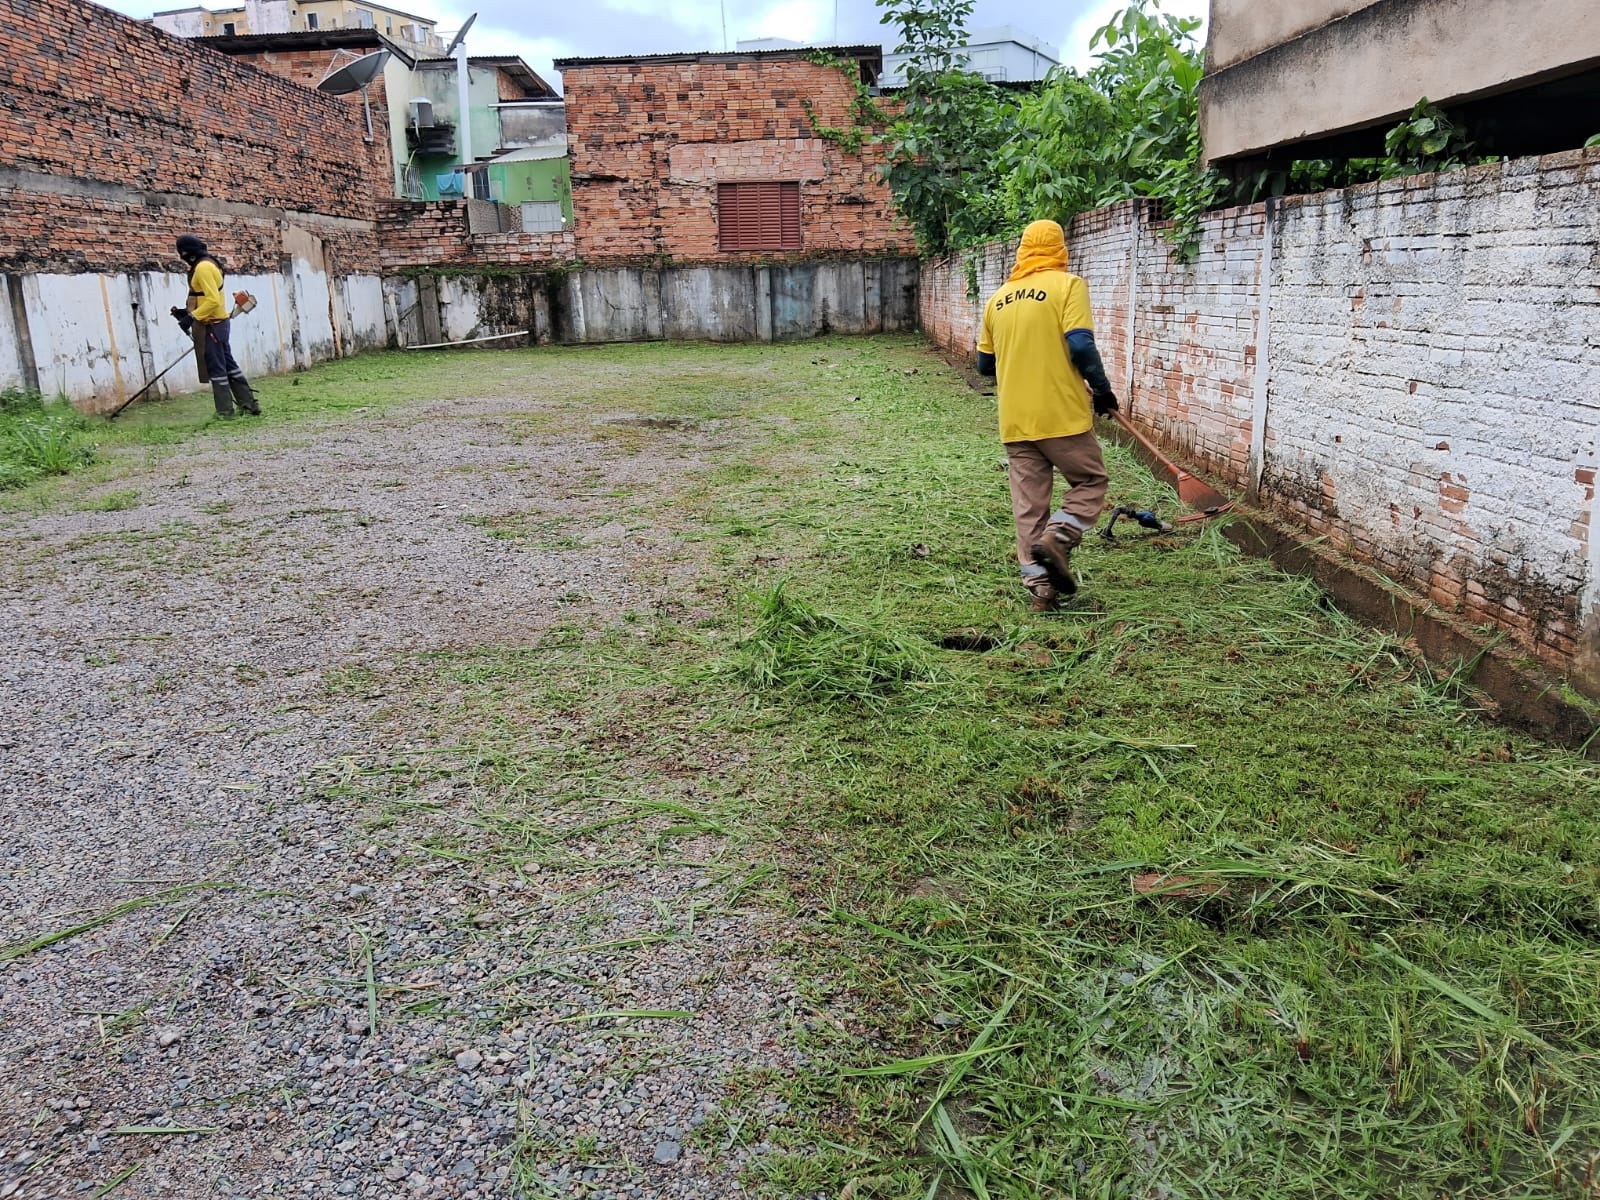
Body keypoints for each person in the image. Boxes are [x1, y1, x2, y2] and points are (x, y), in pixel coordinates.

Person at [977, 219, 1118, 611]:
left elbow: (984, 365)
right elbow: (1081, 346)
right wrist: (1103, 391)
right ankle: (1059, 536)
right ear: (1060, 249)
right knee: (1090, 480)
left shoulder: (998, 299)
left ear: (1022, 250)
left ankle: (1041, 591)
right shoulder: (1067, 286)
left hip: (1015, 420)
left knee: (1029, 506)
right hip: (1060, 414)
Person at [172, 234, 260, 418]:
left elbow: (212, 300)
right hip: (216, 323)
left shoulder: (203, 267)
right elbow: (205, 296)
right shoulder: (208, 263)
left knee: (217, 368)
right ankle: (249, 405)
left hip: (212, 325)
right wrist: (187, 313)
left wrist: (193, 317)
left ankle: (225, 411)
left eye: (182, 253)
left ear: (188, 252)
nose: (182, 257)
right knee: (228, 365)